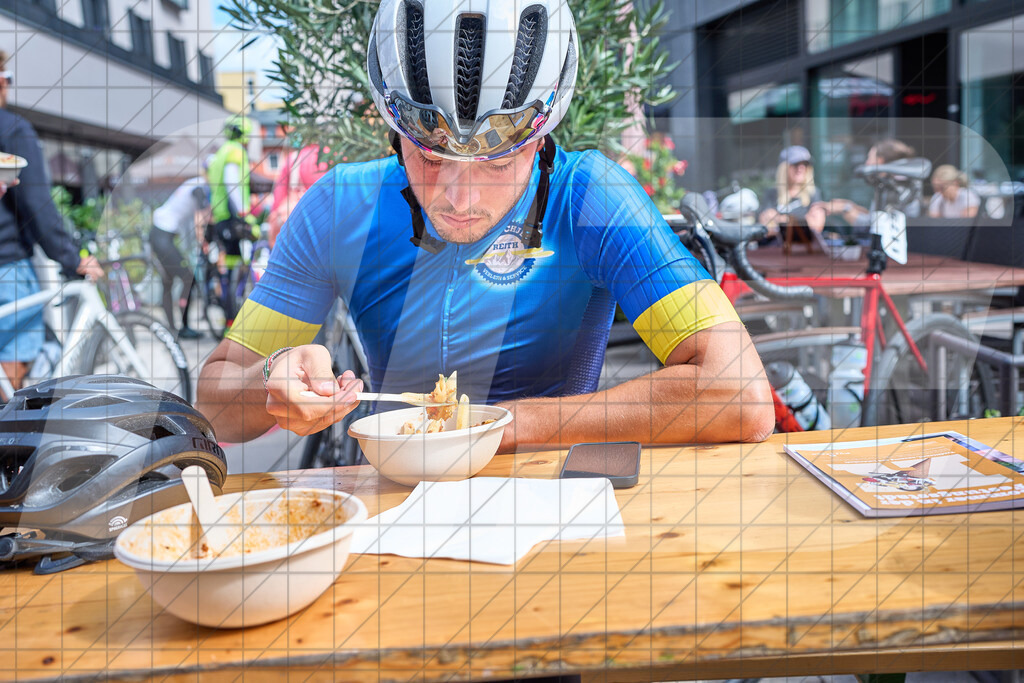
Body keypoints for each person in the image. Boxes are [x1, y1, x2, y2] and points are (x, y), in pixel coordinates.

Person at [196, 0, 774, 449]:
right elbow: (215, 403)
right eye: (431, 155)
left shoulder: (591, 194)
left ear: (542, 137)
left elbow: (742, 394)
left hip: (550, 498)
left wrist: (507, 424)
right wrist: (269, 381)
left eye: (498, 160)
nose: (462, 198)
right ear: (394, 132)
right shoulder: (341, 205)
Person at [0, 49, 103, 394]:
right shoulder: (11, 128)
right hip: (7, 264)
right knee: (14, 361)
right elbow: (36, 203)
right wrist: (73, 257)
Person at [205, 115, 257, 326]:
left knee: (229, 267)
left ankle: (230, 316)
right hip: (233, 215)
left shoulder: (219, 153)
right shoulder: (236, 151)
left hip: (220, 217)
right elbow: (232, 182)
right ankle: (236, 315)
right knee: (246, 256)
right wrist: (243, 211)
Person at [150, 168, 210, 339]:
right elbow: (200, 216)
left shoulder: (194, 183)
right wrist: (202, 241)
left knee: (169, 282)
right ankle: (183, 327)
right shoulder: (199, 186)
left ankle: (173, 328)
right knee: (188, 278)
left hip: (159, 235)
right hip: (162, 237)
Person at [816, 138, 920, 227]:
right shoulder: (889, 184)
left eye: (869, 157)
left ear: (880, 160)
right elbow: (874, 215)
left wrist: (845, 209)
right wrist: (850, 205)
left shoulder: (896, 187)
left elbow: (871, 226)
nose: (866, 163)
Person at [757, 146, 826, 252]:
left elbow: (817, 226)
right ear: (783, 168)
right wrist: (801, 221)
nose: (801, 168)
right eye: (796, 164)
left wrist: (780, 220)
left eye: (805, 164)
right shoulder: (771, 193)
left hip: (804, 251)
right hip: (775, 252)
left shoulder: (813, 193)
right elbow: (766, 228)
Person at [267, 144, 331, 249]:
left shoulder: (293, 159)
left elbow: (277, 201)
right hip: (326, 231)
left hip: (296, 235)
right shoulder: (335, 157)